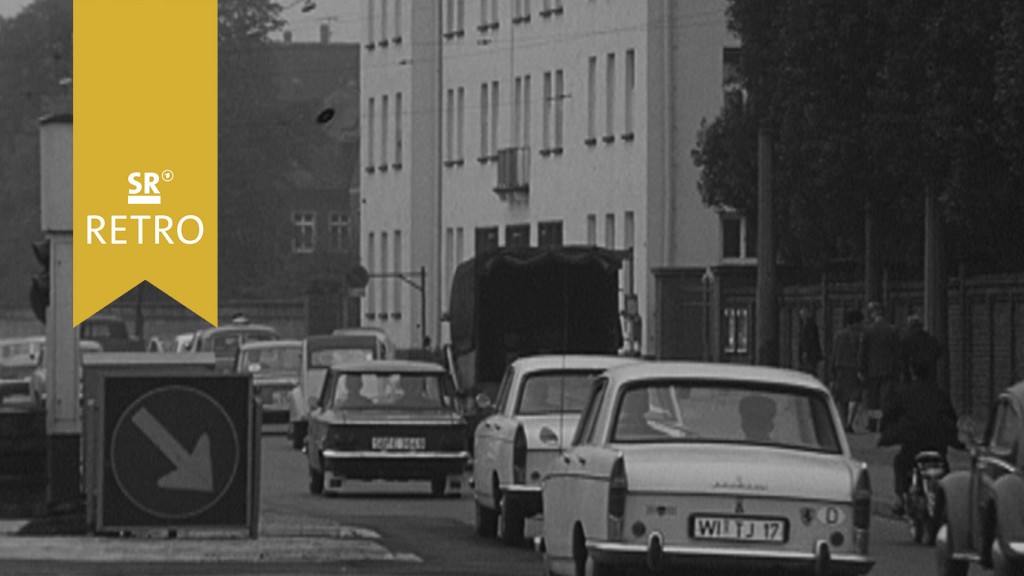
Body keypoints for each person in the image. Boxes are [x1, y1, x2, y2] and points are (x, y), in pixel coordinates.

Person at [878, 362, 960, 516]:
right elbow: (951, 415)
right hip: (938, 441)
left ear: (912, 372)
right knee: (943, 463)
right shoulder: (939, 393)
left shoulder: (905, 393)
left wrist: (885, 429)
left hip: (914, 442)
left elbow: (890, 413)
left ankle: (900, 498)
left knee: (901, 461)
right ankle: (948, 496)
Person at [859, 301, 901, 432]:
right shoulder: (892, 330)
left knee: (873, 399)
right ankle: (884, 423)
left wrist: (861, 369)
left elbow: (863, 352)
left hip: (872, 370)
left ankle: (872, 423)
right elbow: (897, 351)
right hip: (889, 370)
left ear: (873, 314)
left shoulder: (867, 331)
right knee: (886, 398)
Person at [830, 309, 865, 432]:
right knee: (854, 396)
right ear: (857, 321)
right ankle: (849, 422)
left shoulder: (839, 335)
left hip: (840, 367)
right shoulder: (860, 336)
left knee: (842, 397)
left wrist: (832, 369)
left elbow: (834, 353)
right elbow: (861, 353)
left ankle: (843, 422)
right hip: (853, 368)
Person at [900, 314, 943, 385]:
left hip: (912, 380)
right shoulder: (931, 340)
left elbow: (902, 358)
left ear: (910, 327)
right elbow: (939, 353)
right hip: (930, 378)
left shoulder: (906, 341)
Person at [798, 306, 824, 377]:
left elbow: (810, 339)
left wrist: (806, 351)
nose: (802, 316)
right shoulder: (806, 324)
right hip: (810, 353)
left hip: (811, 353)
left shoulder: (810, 325)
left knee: (809, 369)